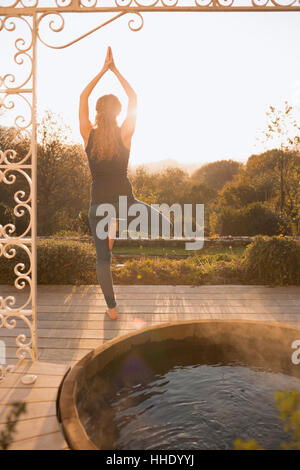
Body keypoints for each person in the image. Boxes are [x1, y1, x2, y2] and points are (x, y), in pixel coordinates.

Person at [79, 46, 171, 321]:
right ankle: (117, 223)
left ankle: (112, 308)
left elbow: (82, 96)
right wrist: (115, 69)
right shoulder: (125, 134)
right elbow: (134, 97)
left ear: (97, 112)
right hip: (125, 203)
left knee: (102, 260)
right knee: (165, 225)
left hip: (99, 205)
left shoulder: (88, 135)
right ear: (119, 112)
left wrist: (101, 71)